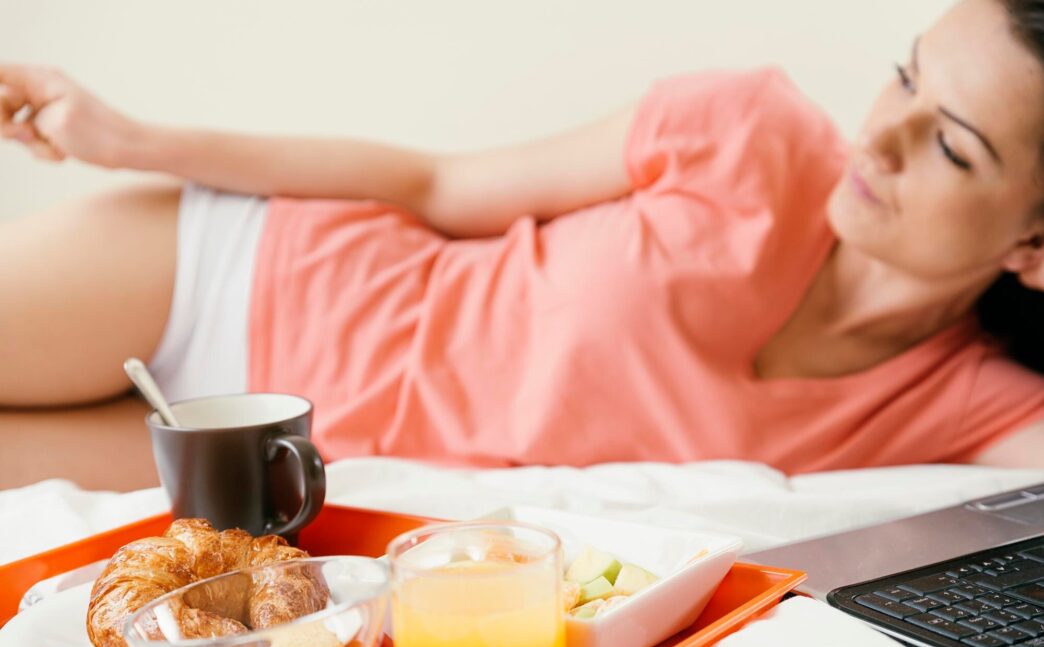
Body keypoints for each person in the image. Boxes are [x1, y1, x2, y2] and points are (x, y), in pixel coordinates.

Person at [2, 0, 1043, 491]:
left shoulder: (976, 402)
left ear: (1033, 245)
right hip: (242, 276)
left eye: (952, 147)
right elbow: (434, 183)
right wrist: (128, 138)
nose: (884, 135)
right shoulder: (749, 129)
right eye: (906, 77)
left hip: (291, 468)